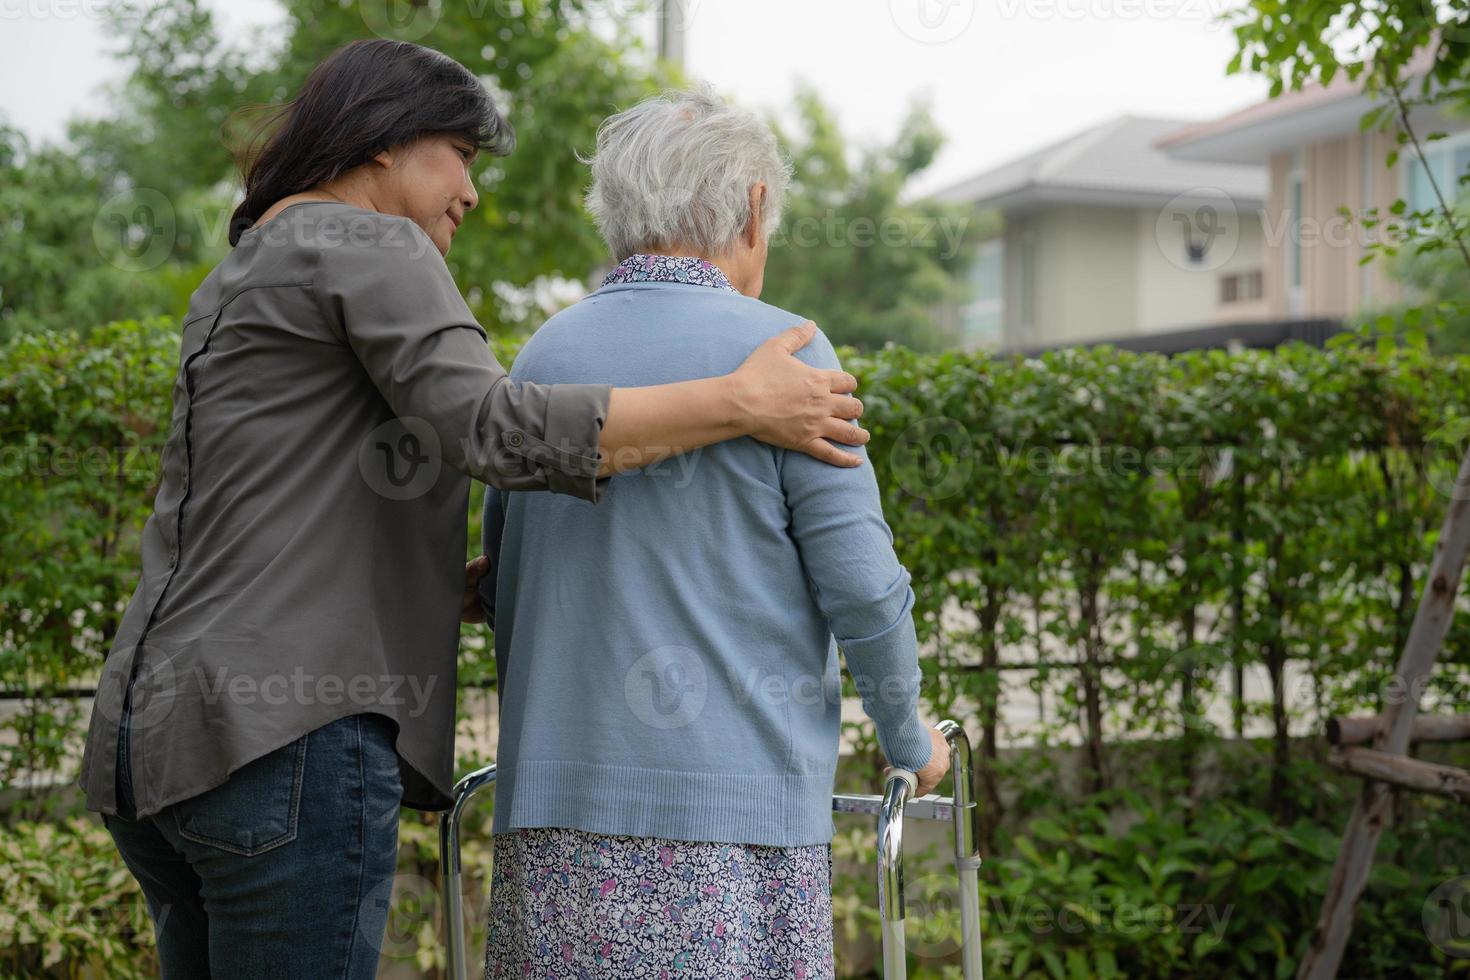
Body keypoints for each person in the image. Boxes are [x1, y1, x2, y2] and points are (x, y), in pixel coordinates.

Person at [77, 41, 869, 979]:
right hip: (285, 745)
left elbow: (254, 519)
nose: (471, 191)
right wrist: (738, 401)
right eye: (462, 154)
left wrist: (452, 586)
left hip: (157, 746)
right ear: (385, 144)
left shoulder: (249, 268)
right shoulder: (368, 240)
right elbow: (496, 429)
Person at [479, 87, 952, 979]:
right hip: (731, 839)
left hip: (553, 831)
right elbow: (862, 586)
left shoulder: (543, 357)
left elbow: (507, 580)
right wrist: (906, 734)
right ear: (755, 208)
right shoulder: (789, 356)